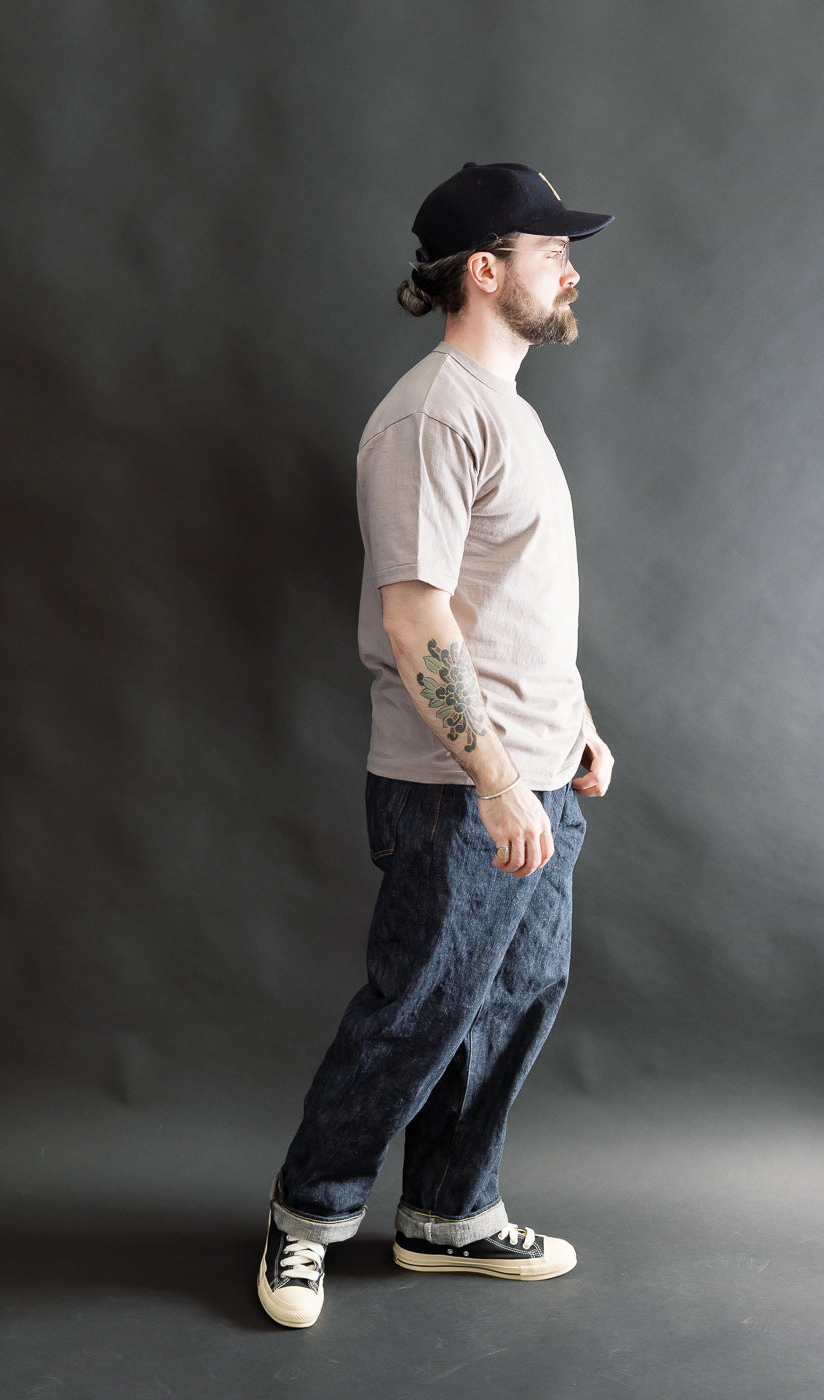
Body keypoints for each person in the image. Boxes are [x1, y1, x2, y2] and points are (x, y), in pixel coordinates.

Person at [257, 162, 616, 1328]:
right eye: (548, 246)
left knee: (515, 994)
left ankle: (448, 1214)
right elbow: (417, 616)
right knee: (421, 1006)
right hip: (461, 787)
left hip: (537, 771)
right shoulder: (428, 415)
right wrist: (500, 774)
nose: (569, 264)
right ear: (482, 268)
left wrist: (573, 730)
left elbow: (509, 602)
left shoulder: (505, 408)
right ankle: (306, 1214)